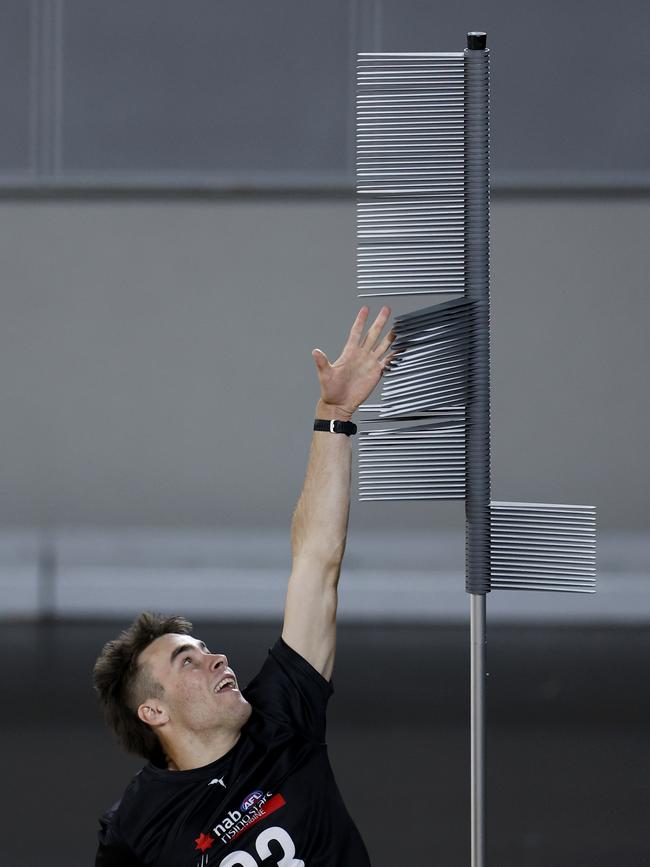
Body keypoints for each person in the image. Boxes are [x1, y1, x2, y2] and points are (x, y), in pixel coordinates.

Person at [92, 306, 396, 867]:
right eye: (187, 661)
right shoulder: (136, 831)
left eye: (204, 651)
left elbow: (316, 563)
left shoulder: (281, 718)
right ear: (153, 713)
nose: (216, 659)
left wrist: (334, 413)